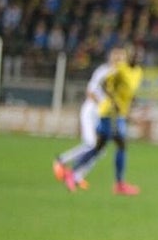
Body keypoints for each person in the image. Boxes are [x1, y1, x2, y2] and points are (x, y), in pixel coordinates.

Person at [61, 45, 144, 195]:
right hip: (109, 112)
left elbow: (129, 93)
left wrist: (130, 110)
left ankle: (72, 173)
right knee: (120, 144)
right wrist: (114, 102)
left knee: (98, 148)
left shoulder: (138, 72)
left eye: (139, 55)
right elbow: (105, 85)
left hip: (118, 113)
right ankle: (119, 184)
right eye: (134, 54)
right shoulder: (120, 69)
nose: (137, 57)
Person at [53, 46, 124, 190]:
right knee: (91, 144)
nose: (118, 59)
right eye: (116, 56)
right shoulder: (103, 71)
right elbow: (90, 92)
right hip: (91, 111)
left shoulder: (121, 76)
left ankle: (77, 176)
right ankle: (60, 160)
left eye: (121, 57)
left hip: (103, 115)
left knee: (100, 150)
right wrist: (102, 105)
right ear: (111, 57)